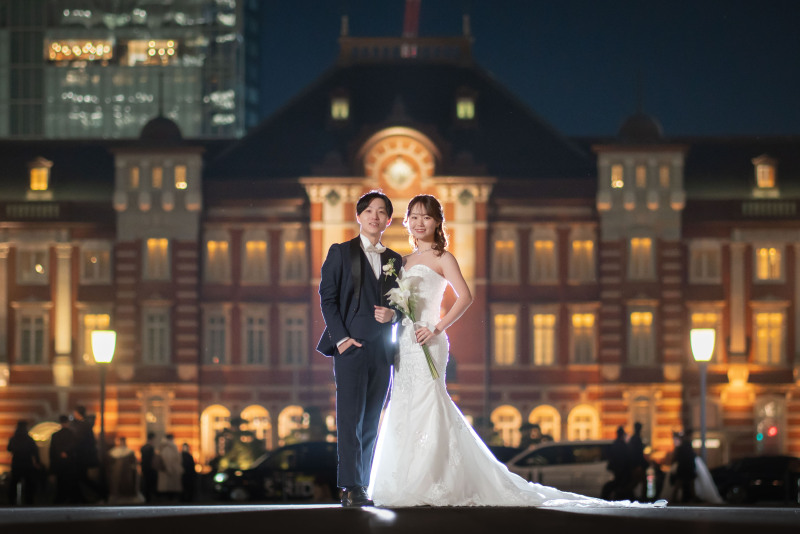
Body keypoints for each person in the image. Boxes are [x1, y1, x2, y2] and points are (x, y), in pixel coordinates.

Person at [369, 194, 665, 508]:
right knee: (402, 403)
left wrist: (437, 327)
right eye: (413, 216)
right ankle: (403, 479)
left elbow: (465, 297)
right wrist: (394, 316)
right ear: (407, 221)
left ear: (437, 222)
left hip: (429, 338)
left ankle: (433, 481)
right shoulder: (401, 262)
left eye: (425, 217)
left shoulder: (444, 258)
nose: (418, 222)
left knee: (430, 401)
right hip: (404, 342)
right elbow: (397, 304)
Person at [316, 190, 403, 507]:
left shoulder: (394, 260)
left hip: (382, 351)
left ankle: (363, 485)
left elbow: (405, 304)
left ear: (388, 220)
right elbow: (328, 299)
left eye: (381, 212)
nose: (375, 216)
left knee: (370, 421)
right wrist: (341, 339)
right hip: (350, 348)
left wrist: (394, 315)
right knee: (349, 419)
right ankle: (350, 486)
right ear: (359, 216)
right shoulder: (340, 252)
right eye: (369, 211)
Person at [6, 420, 41, 505]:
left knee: (14, 483)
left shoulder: (13, 439)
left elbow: (9, 449)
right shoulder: (29, 439)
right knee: (28, 484)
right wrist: (37, 462)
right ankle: (29, 501)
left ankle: (12, 501)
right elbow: (35, 451)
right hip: (27, 463)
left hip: (16, 463)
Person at [49, 414, 79, 504]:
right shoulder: (72, 434)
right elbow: (75, 447)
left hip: (59, 464)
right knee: (70, 482)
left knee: (60, 483)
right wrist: (66, 452)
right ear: (67, 422)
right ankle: (71, 499)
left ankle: (60, 500)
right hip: (70, 463)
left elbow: (52, 451)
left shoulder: (55, 435)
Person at [602, 426, 633, 500]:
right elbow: (627, 458)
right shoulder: (622, 445)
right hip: (622, 471)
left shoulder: (615, 444)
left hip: (617, 470)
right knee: (622, 488)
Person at [107, 437, 141, 504]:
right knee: (117, 484)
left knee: (126, 485)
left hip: (127, 473)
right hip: (116, 473)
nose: (122, 443)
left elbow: (133, 462)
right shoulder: (113, 452)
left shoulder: (129, 452)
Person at [156, 434, 183, 502]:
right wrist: (170, 470)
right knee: (170, 494)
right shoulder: (170, 448)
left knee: (167, 493)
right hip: (170, 473)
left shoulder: (163, 447)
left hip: (166, 473)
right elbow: (169, 460)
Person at [672, 430, 697, 503]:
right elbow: (690, 456)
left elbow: (678, 457)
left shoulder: (683, 445)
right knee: (688, 483)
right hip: (686, 467)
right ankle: (690, 497)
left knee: (681, 483)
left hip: (684, 467)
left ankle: (677, 498)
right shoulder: (686, 445)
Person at [628, 422, 649, 500]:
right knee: (639, 482)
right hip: (637, 465)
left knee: (637, 482)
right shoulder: (636, 438)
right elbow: (637, 453)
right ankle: (643, 498)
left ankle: (628, 495)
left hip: (636, 465)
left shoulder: (634, 438)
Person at [140, 432, 158, 503]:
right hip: (150, 469)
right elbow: (152, 460)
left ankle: (146, 498)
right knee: (149, 485)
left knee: (146, 484)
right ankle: (149, 499)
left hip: (145, 468)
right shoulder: (150, 448)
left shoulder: (143, 447)